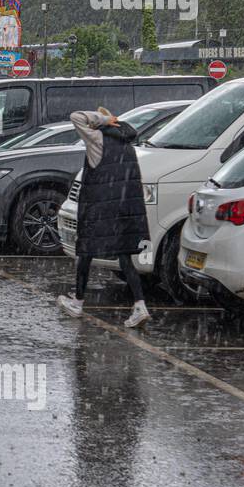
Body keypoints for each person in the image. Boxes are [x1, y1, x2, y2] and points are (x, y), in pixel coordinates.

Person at [59, 107, 151, 328]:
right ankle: (140, 306)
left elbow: (76, 116)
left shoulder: (98, 139)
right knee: (125, 259)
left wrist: (102, 119)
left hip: (99, 210)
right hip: (123, 210)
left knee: (85, 253)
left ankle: (78, 302)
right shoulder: (127, 145)